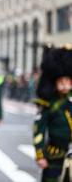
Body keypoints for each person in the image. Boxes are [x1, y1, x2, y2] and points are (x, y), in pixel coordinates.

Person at [33, 46, 72, 182]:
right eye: (61, 82)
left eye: (68, 82)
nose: (65, 85)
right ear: (54, 83)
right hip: (54, 155)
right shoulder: (47, 105)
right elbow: (39, 131)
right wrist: (40, 155)